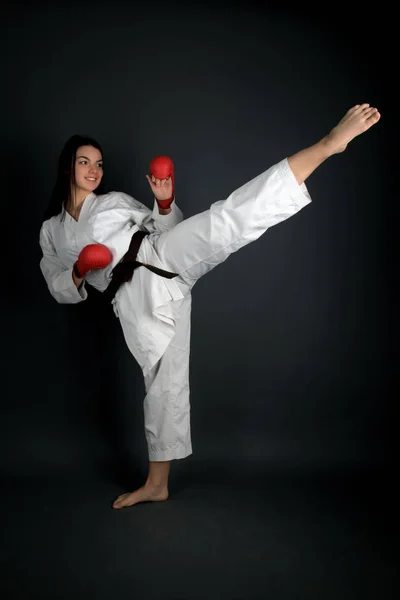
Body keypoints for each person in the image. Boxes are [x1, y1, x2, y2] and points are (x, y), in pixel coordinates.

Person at [39, 103, 381, 509]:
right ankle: (156, 484)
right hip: (134, 296)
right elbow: (57, 285)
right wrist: (79, 269)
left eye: (98, 163)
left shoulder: (113, 201)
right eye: (84, 162)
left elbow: (161, 227)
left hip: (159, 252)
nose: (94, 170)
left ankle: (327, 145)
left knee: (227, 220)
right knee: (163, 386)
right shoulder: (51, 232)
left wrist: (164, 205)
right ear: (68, 168)